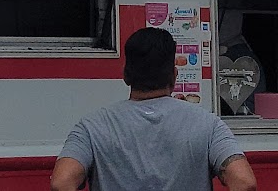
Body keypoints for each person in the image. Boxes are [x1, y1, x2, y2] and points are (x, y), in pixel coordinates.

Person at [51, 27, 257, 191]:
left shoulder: (92, 127)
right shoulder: (208, 124)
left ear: (126, 76)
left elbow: (61, 182)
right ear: (174, 76)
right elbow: (244, 182)